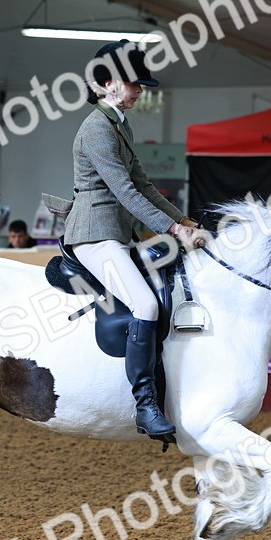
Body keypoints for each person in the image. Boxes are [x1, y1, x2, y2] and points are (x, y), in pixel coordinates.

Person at [45, 40, 207, 442]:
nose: (139, 91)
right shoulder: (97, 129)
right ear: (107, 83)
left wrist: (184, 219)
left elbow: (144, 186)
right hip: (95, 234)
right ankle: (146, 406)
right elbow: (125, 194)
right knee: (146, 303)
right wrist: (173, 231)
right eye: (133, 84)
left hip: (117, 234)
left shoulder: (118, 123)